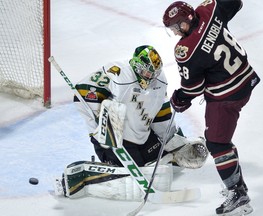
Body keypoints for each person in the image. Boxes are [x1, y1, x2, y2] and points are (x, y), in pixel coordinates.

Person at [61, 45, 208, 200]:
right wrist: (99, 128)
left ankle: (141, 160)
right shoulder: (118, 73)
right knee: (137, 170)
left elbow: (161, 113)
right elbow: (83, 92)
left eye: (153, 73)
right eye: (146, 72)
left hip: (142, 136)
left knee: (158, 165)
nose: (150, 77)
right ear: (136, 66)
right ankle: (86, 177)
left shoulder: (159, 81)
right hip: (115, 140)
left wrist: (174, 141)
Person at [162, 1, 260, 216]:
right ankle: (237, 186)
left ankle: (238, 195)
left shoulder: (186, 49)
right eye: (172, 29)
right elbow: (235, 3)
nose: (176, 32)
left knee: (217, 143)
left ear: (187, 20)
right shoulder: (209, 7)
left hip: (227, 96)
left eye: (177, 27)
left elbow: (193, 87)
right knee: (222, 140)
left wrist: (179, 98)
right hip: (245, 79)